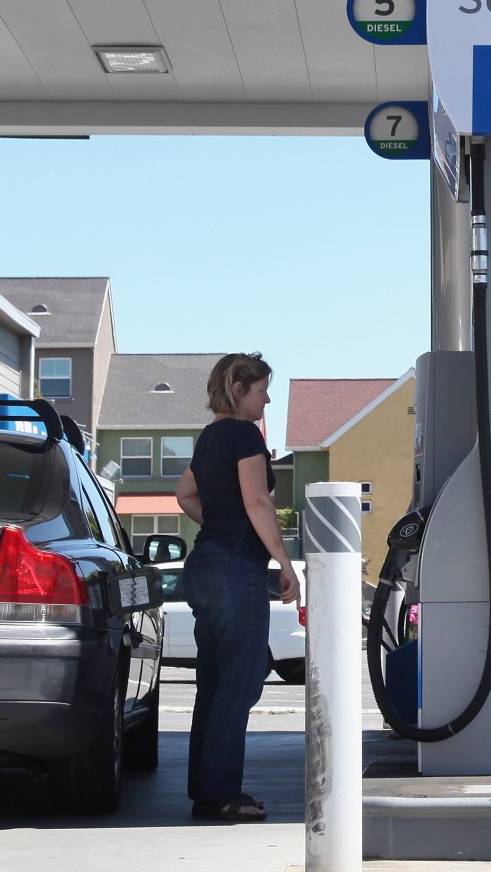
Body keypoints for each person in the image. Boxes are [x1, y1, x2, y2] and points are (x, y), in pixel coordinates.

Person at [174, 352, 301, 822]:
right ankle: (222, 794)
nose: (267, 398)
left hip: (205, 564)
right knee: (242, 680)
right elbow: (256, 500)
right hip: (235, 570)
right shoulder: (246, 435)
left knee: (215, 683)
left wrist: (223, 524)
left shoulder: (210, 439)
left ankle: (208, 792)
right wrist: (285, 563)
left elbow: (184, 494)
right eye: (262, 389)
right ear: (239, 390)